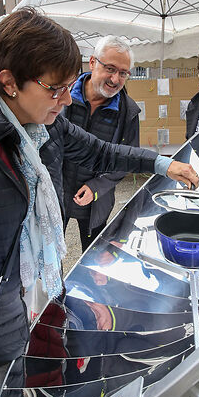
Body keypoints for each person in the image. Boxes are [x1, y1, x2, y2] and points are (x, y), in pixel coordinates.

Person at [0, 8, 198, 397]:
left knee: (36, 361)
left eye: (69, 87)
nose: (65, 100)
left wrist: (159, 162)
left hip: (36, 276)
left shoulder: (42, 124)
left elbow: (101, 152)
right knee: (4, 375)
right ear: (8, 81)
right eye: (55, 89)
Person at [63, 35, 139, 252]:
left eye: (123, 73)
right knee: (50, 258)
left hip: (96, 201)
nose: (115, 79)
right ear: (93, 62)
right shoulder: (62, 94)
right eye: (111, 69)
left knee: (93, 257)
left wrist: (96, 187)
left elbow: (126, 160)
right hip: (58, 194)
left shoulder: (128, 112)